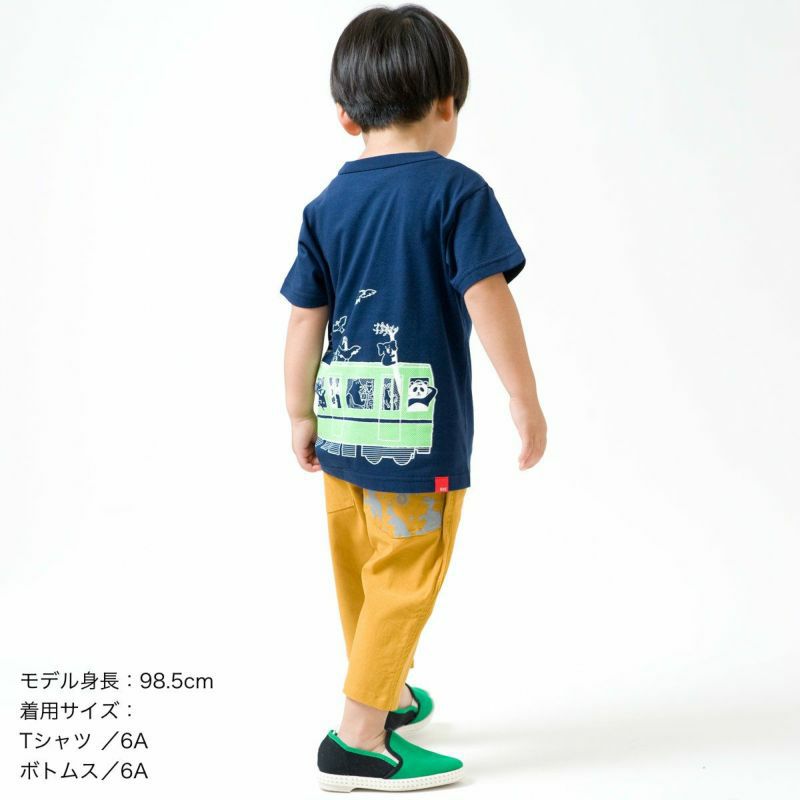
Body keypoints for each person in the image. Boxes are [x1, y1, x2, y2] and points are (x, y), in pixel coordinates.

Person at [280, 4, 547, 792]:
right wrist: (524, 397)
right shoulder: (457, 192)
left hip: (341, 428)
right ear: (447, 105)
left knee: (361, 571)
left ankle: (387, 692)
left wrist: (297, 412)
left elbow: (304, 319)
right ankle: (358, 739)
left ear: (345, 115)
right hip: (414, 436)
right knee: (406, 574)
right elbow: (487, 296)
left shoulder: (326, 205)